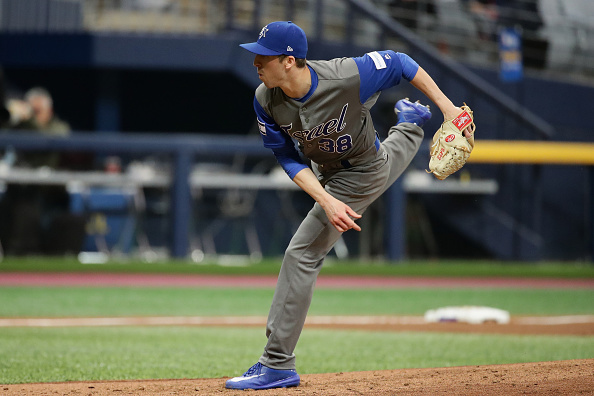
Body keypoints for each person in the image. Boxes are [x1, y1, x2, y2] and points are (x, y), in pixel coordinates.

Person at [226, 21, 472, 390]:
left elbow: (401, 61)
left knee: (301, 254)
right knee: (380, 160)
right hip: (331, 169)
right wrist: (326, 200)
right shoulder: (265, 99)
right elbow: (287, 158)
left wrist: (450, 109)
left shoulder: (344, 75)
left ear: (289, 60)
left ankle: (277, 364)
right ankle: (410, 123)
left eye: (264, 56)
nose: (256, 62)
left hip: (359, 171)